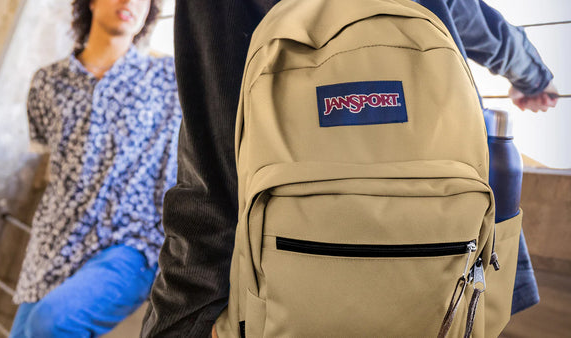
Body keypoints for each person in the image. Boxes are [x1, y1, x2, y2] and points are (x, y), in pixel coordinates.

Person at [141, 0, 557, 337]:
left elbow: (211, 129)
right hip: (448, 254)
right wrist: (533, 77)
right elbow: (473, 19)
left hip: (241, 247)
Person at [10, 0, 182, 336]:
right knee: (24, 331)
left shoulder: (168, 80)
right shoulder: (48, 82)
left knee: (52, 322)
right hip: (54, 241)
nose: (130, 2)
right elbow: (52, 163)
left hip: (132, 243)